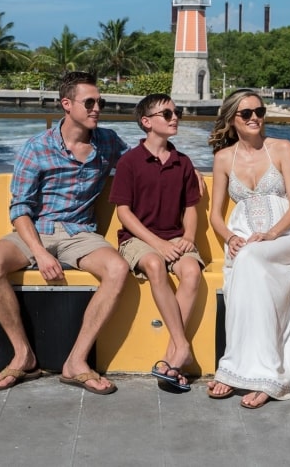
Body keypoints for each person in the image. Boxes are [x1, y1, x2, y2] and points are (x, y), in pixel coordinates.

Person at [0, 71, 130, 395]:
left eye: (99, 102)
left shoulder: (108, 142)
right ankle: (23, 355)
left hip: (80, 233)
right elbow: (19, 209)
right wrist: (42, 252)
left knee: (117, 269)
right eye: (89, 103)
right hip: (36, 230)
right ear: (67, 104)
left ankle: (76, 362)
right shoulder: (36, 147)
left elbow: (138, 166)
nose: (96, 109)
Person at [205, 89, 290, 409]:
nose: (255, 118)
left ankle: (269, 375)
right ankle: (234, 368)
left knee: (248, 260)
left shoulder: (281, 148)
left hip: (285, 238)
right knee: (243, 264)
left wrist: (271, 234)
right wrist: (229, 238)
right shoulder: (224, 158)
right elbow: (215, 215)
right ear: (232, 119)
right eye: (246, 113)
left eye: (259, 112)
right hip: (245, 242)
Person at [109, 94, 204, 392]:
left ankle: (169, 358)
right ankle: (182, 346)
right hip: (138, 238)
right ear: (147, 123)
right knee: (153, 264)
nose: (174, 117)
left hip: (175, 236)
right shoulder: (129, 163)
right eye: (167, 114)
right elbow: (124, 212)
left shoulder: (183, 163)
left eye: (176, 113)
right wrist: (157, 245)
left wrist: (188, 237)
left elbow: (191, 207)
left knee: (191, 271)